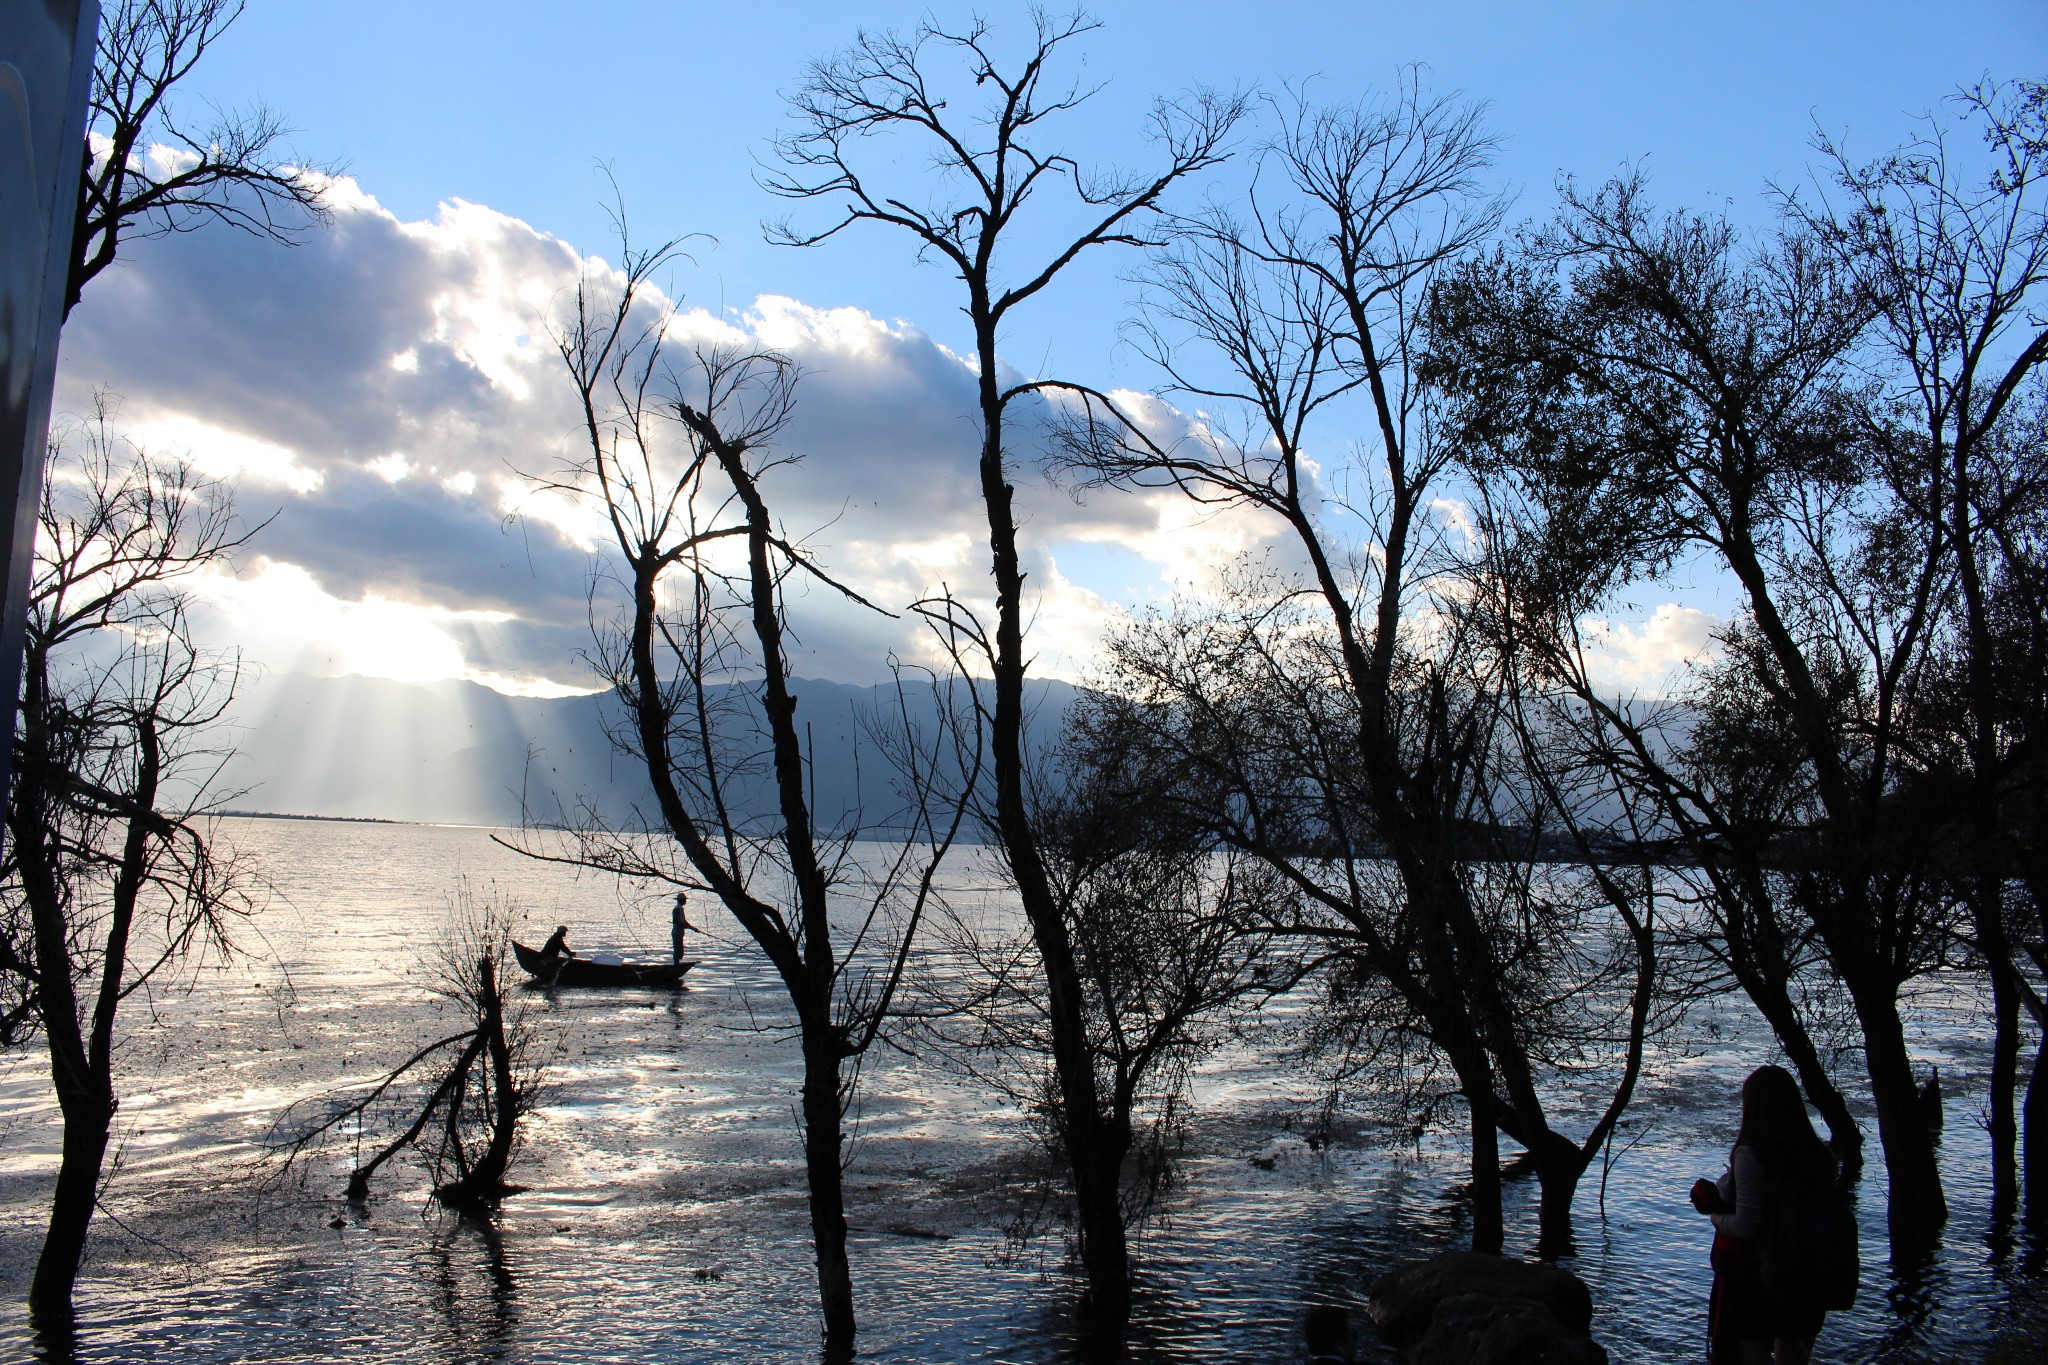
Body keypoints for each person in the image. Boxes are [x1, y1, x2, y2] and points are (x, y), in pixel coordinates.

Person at [1690, 1064, 1836, 1365]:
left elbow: (1746, 1225)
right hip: (1810, 1276)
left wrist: (1717, 1219)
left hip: (1760, 1277)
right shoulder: (1817, 1154)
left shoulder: (1750, 1154)